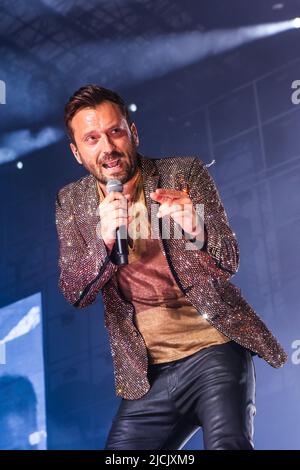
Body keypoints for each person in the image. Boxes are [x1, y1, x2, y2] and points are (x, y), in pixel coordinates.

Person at [55, 84, 287, 450]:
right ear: (77, 152)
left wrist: (197, 229)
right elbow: (74, 291)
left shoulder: (182, 173)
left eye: (115, 131)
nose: (108, 148)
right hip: (147, 374)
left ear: (133, 133)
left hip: (213, 350)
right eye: (92, 138)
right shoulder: (72, 203)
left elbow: (229, 260)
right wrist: (103, 244)